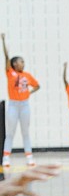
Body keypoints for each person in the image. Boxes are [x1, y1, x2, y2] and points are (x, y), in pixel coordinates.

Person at [2, 33, 40, 169]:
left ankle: (29, 156)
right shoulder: (10, 72)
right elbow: (6, 57)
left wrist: (29, 92)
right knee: (10, 132)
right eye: (21, 61)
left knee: (25, 132)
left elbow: (37, 86)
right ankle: (6, 157)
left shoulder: (27, 75)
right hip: (13, 105)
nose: (23, 63)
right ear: (14, 63)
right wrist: (3, 41)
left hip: (24, 105)